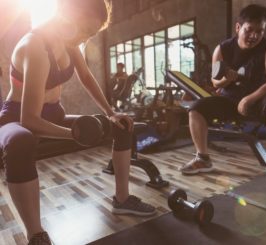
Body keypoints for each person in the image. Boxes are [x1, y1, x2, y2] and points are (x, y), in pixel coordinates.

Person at [0, 0, 155, 244]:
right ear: (64, 13)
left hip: (54, 115)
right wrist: (75, 134)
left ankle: (122, 200)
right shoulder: (35, 46)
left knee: (120, 125)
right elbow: (29, 119)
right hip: (17, 119)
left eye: (90, 34)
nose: (84, 38)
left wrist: (110, 112)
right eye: (84, 30)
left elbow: (85, 75)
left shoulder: (68, 41)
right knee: (20, 142)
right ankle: (36, 235)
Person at [180, 4, 266, 183]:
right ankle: (203, 158)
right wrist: (228, 79)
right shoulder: (222, 49)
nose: (254, 35)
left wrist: (249, 98)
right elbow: (215, 82)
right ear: (238, 27)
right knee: (195, 109)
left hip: (260, 98)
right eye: (249, 30)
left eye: (260, 31)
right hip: (229, 99)